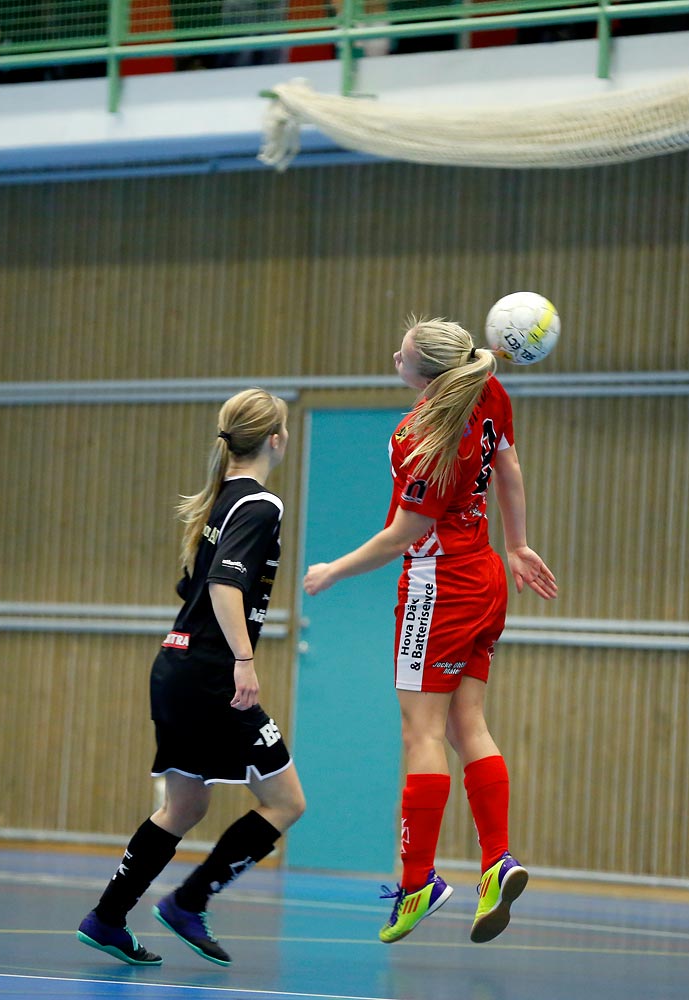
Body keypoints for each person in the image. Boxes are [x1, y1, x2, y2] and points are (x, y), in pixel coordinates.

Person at [303, 317, 557, 944]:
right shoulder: (489, 393)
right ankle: (497, 861)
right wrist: (518, 544)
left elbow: (403, 535)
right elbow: (510, 468)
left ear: (428, 374)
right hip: (488, 578)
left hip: (437, 589)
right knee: (468, 724)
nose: (395, 354)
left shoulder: (420, 437)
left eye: (405, 353)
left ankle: (418, 883)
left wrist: (332, 571)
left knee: (422, 732)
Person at [77, 388, 306, 967]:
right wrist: (244, 662)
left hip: (176, 666)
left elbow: (192, 588)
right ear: (276, 440)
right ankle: (189, 900)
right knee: (285, 801)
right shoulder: (260, 505)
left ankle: (107, 918)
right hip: (209, 675)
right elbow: (225, 586)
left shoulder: (216, 500)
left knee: (184, 808)